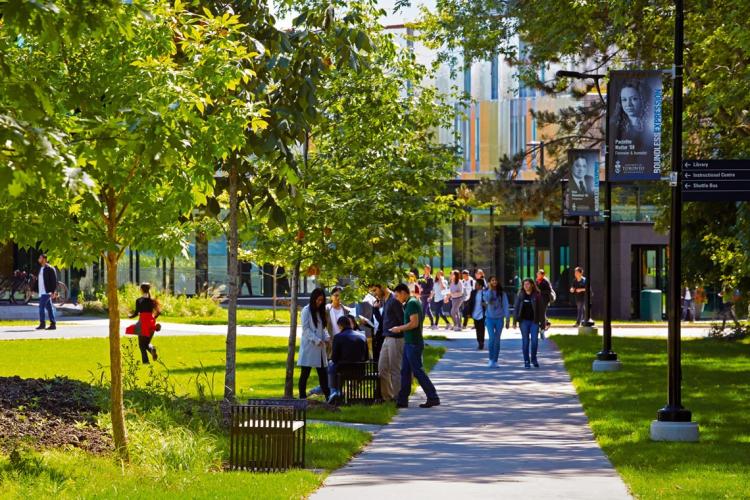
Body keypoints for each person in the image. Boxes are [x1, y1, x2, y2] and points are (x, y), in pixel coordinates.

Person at [391, 284, 440, 409]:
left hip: (414, 343)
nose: (397, 298)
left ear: (403, 292)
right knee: (405, 372)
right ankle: (402, 401)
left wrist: (399, 329)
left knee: (418, 371)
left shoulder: (412, 303)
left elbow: (414, 323)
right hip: (410, 342)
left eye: (397, 295)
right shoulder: (410, 302)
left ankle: (433, 397)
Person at [298, 288, 331, 400]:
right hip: (310, 347)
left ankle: (329, 397)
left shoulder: (321, 311)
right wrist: (316, 340)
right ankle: (302, 398)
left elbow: (323, 328)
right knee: (305, 373)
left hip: (320, 348)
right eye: (318, 300)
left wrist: (326, 337)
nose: (319, 302)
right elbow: (306, 329)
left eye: (322, 300)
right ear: (313, 299)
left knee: (323, 374)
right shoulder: (306, 310)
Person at [327, 316, 369, 403]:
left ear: (340, 326)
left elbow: (334, 358)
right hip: (360, 370)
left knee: (331, 364)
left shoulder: (338, 337)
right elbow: (366, 357)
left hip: (343, 371)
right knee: (335, 366)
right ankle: (334, 392)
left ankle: (334, 393)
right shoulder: (362, 336)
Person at [377, 284, 405, 401]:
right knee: (382, 368)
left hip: (396, 338)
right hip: (386, 338)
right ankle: (388, 397)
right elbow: (383, 320)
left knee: (395, 369)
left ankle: (399, 397)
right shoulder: (386, 301)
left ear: (382, 287)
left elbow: (403, 320)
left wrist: (399, 330)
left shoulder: (394, 300)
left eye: (375, 290)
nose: (374, 293)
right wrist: (375, 309)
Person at [125, 283, 161, 364]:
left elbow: (136, 313)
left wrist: (129, 316)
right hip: (151, 324)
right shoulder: (152, 300)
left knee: (141, 345)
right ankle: (152, 349)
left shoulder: (139, 300)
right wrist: (153, 318)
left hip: (142, 324)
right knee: (146, 344)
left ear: (141, 290)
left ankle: (146, 362)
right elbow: (158, 312)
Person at [514, 279, 544, 369]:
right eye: (524, 284)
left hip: (534, 322)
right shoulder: (520, 295)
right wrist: (514, 321)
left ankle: (534, 359)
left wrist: (543, 323)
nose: (526, 286)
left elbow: (541, 311)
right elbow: (516, 308)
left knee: (535, 341)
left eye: (527, 284)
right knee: (525, 341)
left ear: (531, 285)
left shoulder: (537, 295)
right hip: (523, 322)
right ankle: (526, 360)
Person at [484, 276, 511, 368]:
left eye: (496, 280)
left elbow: (506, 305)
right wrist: (490, 290)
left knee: (497, 339)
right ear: (489, 282)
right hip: (489, 318)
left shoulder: (502, 293)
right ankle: (490, 359)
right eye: (492, 280)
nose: (494, 282)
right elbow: (487, 300)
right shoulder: (486, 291)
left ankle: (495, 360)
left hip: (499, 318)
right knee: (491, 338)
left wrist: (507, 319)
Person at [615, 79, 649, 148]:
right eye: (624, 100)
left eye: (634, 99)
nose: (628, 104)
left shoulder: (650, 125)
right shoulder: (616, 126)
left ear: (642, 100)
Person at [35, 254, 58, 331]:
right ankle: (53, 324)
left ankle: (42, 323)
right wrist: (34, 290)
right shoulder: (41, 268)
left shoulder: (50, 268)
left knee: (41, 306)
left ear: (44, 259)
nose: (39, 259)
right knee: (49, 307)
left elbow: (54, 281)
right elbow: (38, 280)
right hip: (42, 291)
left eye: (40, 258)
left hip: (47, 292)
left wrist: (53, 291)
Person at [466, 278, 486, 349]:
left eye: (476, 284)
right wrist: (468, 312)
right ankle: (479, 341)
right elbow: (470, 303)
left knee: (482, 328)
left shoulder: (485, 292)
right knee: (477, 328)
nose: (475, 286)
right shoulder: (473, 292)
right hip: (475, 313)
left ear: (480, 286)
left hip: (482, 313)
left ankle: (481, 342)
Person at [536, 269, 555, 336]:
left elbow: (549, 291)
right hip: (538, 299)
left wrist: (540, 291)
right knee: (540, 313)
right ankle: (546, 323)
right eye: (537, 273)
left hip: (544, 300)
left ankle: (542, 328)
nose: (537, 275)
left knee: (542, 313)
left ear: (542, 275)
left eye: (539, 274)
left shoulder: (545, 281)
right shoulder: (537, 281)